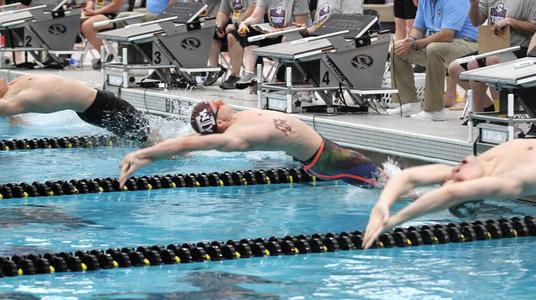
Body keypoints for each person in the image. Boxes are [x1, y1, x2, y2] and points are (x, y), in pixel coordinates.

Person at [119, 99, 385, 187]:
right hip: (328, 159)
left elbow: (186, 139)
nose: (221, 101)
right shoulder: (233, 137)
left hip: (320, 151)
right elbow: (183, 146)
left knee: (378, 182)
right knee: (386, 182)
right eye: (217, 106)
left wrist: (146, 155)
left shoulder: (234, 120)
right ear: (217, 122)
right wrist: (142, 154)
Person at [362, 138, 536, 249]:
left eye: (452, 178)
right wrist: (392, 217)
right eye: (456, 179)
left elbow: (409, 177)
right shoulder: (510, 183)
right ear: (473, 188)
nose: (453, 173)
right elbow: (452, 192)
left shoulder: (470, 169)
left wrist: (384, 208)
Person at [0, 74, 160, 144]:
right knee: (152, 140)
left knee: (146, 136)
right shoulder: (18, 100)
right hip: (100, 107)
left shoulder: (13, 89)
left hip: (98, 102)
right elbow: (7, 108)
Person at [387, 0, 478, 121]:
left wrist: (416, 44)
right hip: (441, 44)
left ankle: (434, 110)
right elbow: (418, 29)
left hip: (468, 44)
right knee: (397, 49)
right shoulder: (425, 1)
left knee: (434, 49)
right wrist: (410, 40)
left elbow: (447, 34)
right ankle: (408, 103)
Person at [445, 0, 536, 113]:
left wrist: (510, 21)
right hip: (493, 47)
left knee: (490, 62)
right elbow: (476, 22)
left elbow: (534, 27)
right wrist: (474, 5)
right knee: (455, 68)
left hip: (520, 48)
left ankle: (501, 113)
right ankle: (484, 110)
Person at [219, 0, 310, 89]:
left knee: (286, 39)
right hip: (273, 34)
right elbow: (255, 17)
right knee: (248, 30)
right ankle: (249, 73)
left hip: (293, 36)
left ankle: (281, 76)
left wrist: (280, 31)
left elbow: (301, 27)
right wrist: (243, 23)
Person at [203, 0, 257, 86]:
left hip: (250, 26)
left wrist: (237, 24)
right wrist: (219, 25)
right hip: (233, 25)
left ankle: (235, 75)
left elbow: (253, 9)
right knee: (211, 31)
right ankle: (214, 69)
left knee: (232, 35)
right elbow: (223, 12)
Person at [81, 0, 129, 69]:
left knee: (87, 26)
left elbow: (116, 4)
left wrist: (95, 12)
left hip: (116, 15)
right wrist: (88, 8)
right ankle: (64, 57)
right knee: (73, 21)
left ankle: (105, 56)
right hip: (99, 13)